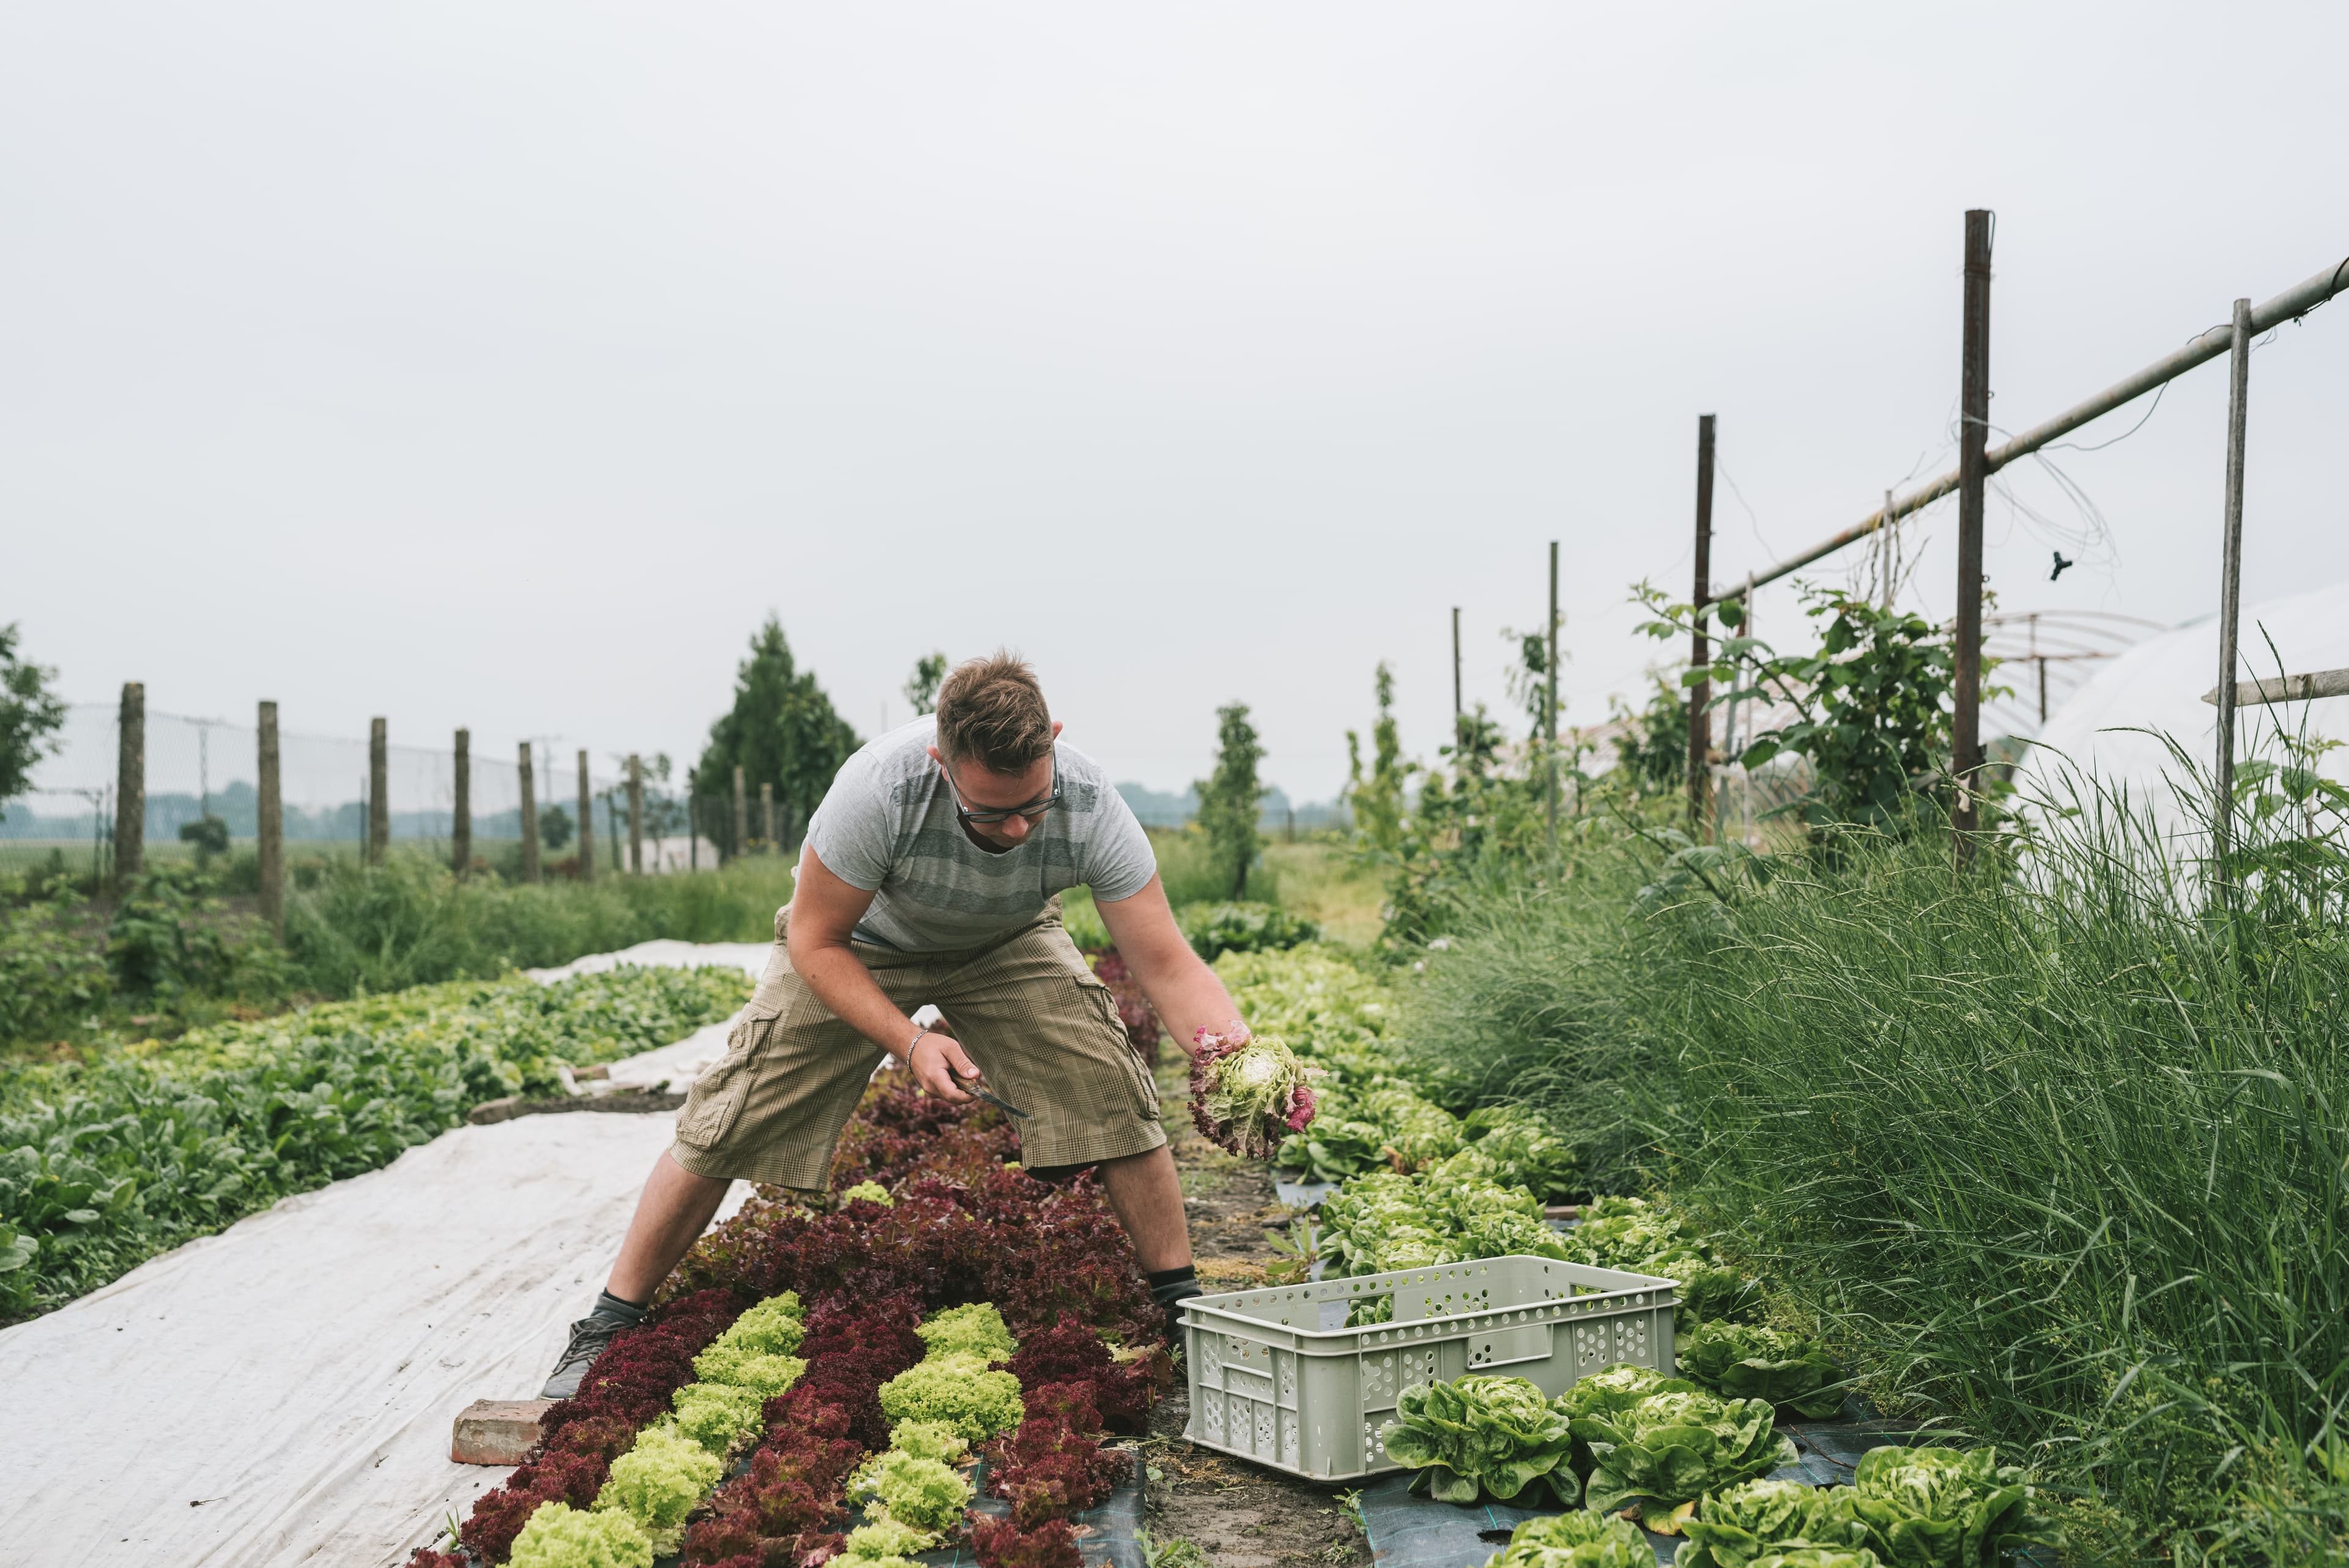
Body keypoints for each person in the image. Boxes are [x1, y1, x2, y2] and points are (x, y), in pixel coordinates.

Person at [540, 652, 1247, 1398]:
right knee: (730, 1115)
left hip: (1007, 942)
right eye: (987, 810)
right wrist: (910, 1041)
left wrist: (1243, 1062)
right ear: (943, 761)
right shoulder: (879, 789)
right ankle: (610, 1321)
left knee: (1111, 1087)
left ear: (1055, 740)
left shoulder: (1090, 800)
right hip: (861, 945)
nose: (1014, 827)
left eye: (1031, 806)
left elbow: (1166, 964)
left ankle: (1180, 1307)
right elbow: (816, 941)